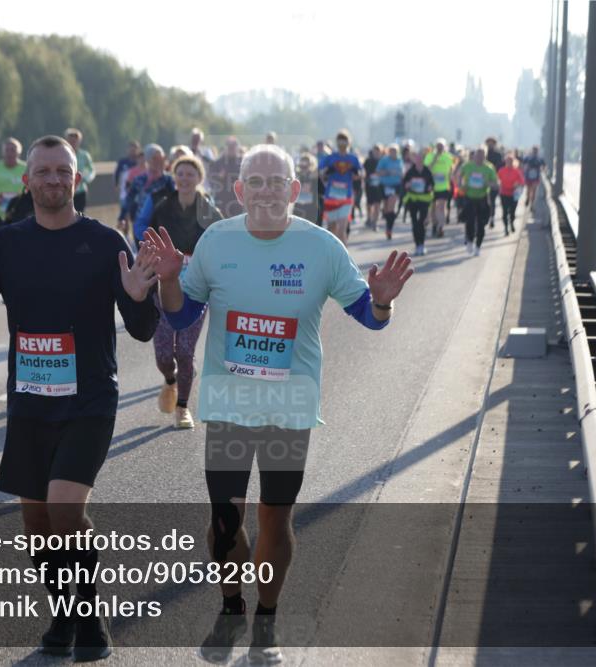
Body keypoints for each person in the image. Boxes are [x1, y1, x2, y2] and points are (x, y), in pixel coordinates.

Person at [145, 144, 413, 666]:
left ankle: (266, 624)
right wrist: (172, 280)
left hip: (290, 405)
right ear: (239, 191)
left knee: (275, 517)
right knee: (225, 518)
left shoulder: (322, 247)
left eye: (277, 181)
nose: (266, 190)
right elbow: (180, 319)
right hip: (228, 401)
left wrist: (381, 299)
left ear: (294, 190)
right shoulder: (216, 241)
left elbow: (372, 316)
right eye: (256, 182)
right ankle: (230, 609)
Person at [0, 135, 159, 660]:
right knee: (37, 527)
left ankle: (89, 620)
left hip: (90, 400)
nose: (53, 180)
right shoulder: (7, 245)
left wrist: (140, 297)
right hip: (30, 403)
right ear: (26, 179)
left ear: (77, 178)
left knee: (65, 511)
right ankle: (63, 614)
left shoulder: (107, 242)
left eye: (62, 171)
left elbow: (141, 328)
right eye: (43, 171)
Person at [148, 155, 223, 429]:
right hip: (165, 287)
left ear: (199, 178)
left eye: (190, 174)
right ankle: (170, 380)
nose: (185, 178)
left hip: (195, 289)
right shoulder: (163, 208)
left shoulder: (209, 212)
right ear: (174, 176)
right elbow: (149, 241)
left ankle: (182, 408)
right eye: (180, 173)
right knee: (164, 355)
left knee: (186, 351)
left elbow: (222, 242)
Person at [120, 144, 171, 246]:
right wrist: (121, 217)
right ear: (147, 160)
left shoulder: (169, 180)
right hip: (142, 226)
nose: (159, 161)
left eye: (161, 158)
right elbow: (129, 199)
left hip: (163, 225)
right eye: (155, 159)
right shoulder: (139, 180)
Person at [318, 130, 362, 245]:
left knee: (342, 229)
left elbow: (361, 173)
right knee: (332, 229)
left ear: (349, 142)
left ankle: (344, 260)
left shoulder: (353, 159)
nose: (342, 143)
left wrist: (356, 174)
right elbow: (320, 171)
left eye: (345, 141)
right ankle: (333, 255)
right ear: (337, 142)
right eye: (340, 141)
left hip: (346, 197)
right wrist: (326, 172)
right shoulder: (331, 158)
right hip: (331, 196)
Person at [458, 146, 499, 256]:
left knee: (481, 224)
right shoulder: (467, 166)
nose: (479, 158)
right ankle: (470, 241)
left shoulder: (489, 168)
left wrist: (488, 184)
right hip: (469, 197)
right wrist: (460, 185)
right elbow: (458, 175)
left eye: (482, 156)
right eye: (477, 156)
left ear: (485, 157)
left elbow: (496, 184)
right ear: (474, 156)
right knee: (469, 222)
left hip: (482, 198)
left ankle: (478, 246)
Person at [401, 150, 435, 256]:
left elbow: (432, 183)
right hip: (413, 199)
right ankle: (417, 245)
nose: (419, 160)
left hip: (424, 200)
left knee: (421, 222)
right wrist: (407, 185)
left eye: (421, 158)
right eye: (417, 158)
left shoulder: (427, 171)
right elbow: (404, 183)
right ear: (415, 160)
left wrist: (430, 187)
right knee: (415, 223)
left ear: (423, 160)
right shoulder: (410, 171)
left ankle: (422, 245)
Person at [424, 139, 454, 238]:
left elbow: (450, 170)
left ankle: (441, 227)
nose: (439, 148)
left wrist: (450, 182)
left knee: (441, 207)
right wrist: (435, 159)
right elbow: (426, 169)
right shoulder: (430, 156)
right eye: (438, 146)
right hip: (431, 187)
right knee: (432, 208)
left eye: (441, 146)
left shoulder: (448, 157)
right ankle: (434, 225)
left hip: (443, 186)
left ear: (444, 147)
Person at [211, 136, 244, 219]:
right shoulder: (218, 162)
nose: (231, 148)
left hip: (238, 201)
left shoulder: (243, 161)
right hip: (222, 201)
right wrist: (219, 177)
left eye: (233, 146)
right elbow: (211, 181)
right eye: (229, 146)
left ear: (237, 147)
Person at [376, 145, 405, 240]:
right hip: (384, 185)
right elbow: (378, 172)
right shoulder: (384, 160)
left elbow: (403, 173)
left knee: (391, 207)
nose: (393, 153)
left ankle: (389, 228)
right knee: (386, 208)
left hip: (395, 186)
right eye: (392, 151)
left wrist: (400, 174)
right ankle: (388, 221)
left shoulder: (400, 160)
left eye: (395, 151)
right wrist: (388, 172)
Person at [114, 140, 142, 234]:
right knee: (124, 216)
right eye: (131, 148)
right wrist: (116, 184)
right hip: (124, 193)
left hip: (136, 195)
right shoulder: (122, 162)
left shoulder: (139, 163)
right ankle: (126, 237)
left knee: (134, 217)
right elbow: (117, 174)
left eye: (135, 149)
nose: (133, 151)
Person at [65, 128, 96, 213]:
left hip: (80, 191)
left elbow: (91, 170)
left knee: (79, 215)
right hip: (65, 190)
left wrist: (86, 179)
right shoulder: (62, 154)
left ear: (79, 141)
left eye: (75, 141)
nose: (73, 143)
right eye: (70, 140)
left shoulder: (84, 155)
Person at [496, 154, 526, 236]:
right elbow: (497, 180)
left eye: (511, 161)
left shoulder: (517, 171)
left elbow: (522, 182)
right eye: (508, 161)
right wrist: (498, 185)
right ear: (505, 162)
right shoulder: (501, 170)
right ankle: (506, 228)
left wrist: (518, 184)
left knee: (512, 211)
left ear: (513, 162)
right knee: (505, 211)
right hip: (504, 193)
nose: (509, 163)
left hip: (514, 194)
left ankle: (511, 222)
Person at [293, 152, 320, 224]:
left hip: (311, 209)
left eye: (306, 165)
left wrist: (314, 180)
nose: (304, 167)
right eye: (302, 165)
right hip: (297, 207)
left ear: (311, 165)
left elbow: (322, 191)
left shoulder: (315, 177)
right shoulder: (296, 176)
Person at [484, 136, 504, 227]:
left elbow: (500, 167)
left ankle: (492, 217)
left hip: (493, 180)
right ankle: (486, 216)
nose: (490, 145)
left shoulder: (498, 155)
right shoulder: (483, 154)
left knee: (492, 200)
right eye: (489, 143)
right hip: (483, 180)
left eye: (492, 143)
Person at [363, 145, 384, 230]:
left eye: (378, 151)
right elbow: (363, 171)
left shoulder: (383, 161)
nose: (376, 153)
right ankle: (369, 218)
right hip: (369, 185)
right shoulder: (368, 161)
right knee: (369, 203)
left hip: (379, 186)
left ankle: (375, 222)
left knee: (378, 204)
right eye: (375, 151)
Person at [521, 145, 546, 211]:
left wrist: (542, 169)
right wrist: (526, 168)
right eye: (534, 150)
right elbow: (523, 164)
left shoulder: (539, 158)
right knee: (528, 189)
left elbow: (544, 165)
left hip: (536, 176)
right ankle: (528, 198)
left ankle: (532, 204)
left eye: (536, 150)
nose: (535, 151)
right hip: (528, 176)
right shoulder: (528, 157)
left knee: (534, 191)